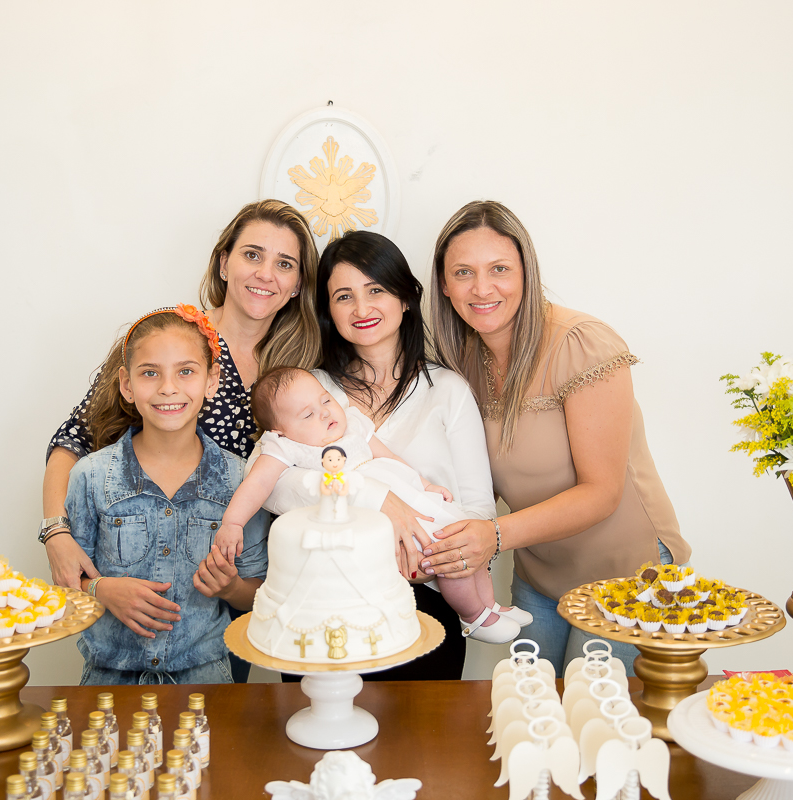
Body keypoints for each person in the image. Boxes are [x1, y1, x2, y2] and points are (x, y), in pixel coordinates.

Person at [41, 200, 321, 682]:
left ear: (297, 284)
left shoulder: (298, 361)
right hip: (137, 578)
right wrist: (57, 533)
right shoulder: (174, 336)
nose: (266, 274)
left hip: (234, 585)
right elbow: (74, 437)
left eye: (284, 264)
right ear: (223, 262)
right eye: (252, 255)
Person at [422, 200, 692, 676]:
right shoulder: (459, 363)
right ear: (444, 285)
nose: (482, 288)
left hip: (627, 574)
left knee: (597, 723)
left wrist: (494, 536)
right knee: (532, 712)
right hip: (539, 572)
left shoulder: (581, 343)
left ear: (527, 272)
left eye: (499, 269)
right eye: (463, 272)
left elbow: (601, 492)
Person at [250, 230, 511, 678]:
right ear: (328, 311)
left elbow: (477, 513)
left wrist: (423, 555)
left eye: (376, 290)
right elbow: (271, 484)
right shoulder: (309, 391)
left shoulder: (447, 391)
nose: (361, 308)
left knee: (420, 744)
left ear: (406, 297)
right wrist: (376, 501)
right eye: (343, 296)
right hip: (323, 606)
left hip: (424, 602)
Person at [218, 366, 526, 643]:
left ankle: (490, 606)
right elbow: (258, 484)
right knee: (443, 557)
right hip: (371, 529)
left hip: (411, 500)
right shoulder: (287, 448)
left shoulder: (353, 424)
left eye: (325, 400)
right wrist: (233, 522)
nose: (325, 413)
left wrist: (426, 485)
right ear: (280, 432)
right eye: (308, 414)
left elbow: (389, 457)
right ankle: (474, 616)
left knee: (463, 539)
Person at [64, 304, 269, 685]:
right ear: (127, 384)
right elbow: (66, 583)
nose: (168, 388)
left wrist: (231, 588)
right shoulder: (90, 475)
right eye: (150, 373)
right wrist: (101, 589)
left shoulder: (242, 479)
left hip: (209, 682)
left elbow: (261, 593)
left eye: (186, 372)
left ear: (212, 381)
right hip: (108, 683)